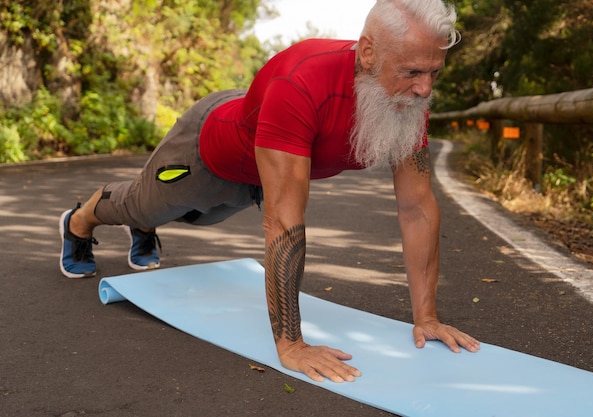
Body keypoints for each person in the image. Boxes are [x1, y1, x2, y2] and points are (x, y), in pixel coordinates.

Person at [59, 0, 480, 383]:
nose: (425, 88)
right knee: (140, 206)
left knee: (194, 216)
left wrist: (426, 317)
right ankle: (78, 223)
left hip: (256, 178)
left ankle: (147, 227)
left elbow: (417, 209)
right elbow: (283, 219)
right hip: (207, 152)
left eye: (433, 73)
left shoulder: (406, 100)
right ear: (368, 53)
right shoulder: (303, 80)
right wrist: (290, 343)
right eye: (412, 73)